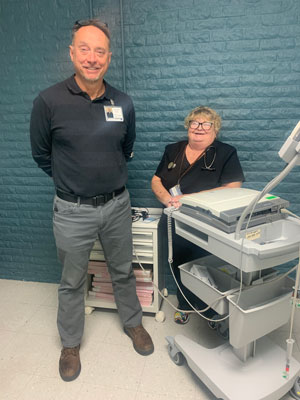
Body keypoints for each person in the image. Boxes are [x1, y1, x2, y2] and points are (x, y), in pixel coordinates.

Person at [30, 19, 154, 382]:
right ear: (72, 53)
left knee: (122, 270)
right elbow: (41, 154)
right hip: (72, 210)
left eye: (100, 51)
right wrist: (72, 182)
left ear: (109, 58)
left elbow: (126, 148)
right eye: (84, 49)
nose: (92, 57)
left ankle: (133, 323)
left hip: (117, 206)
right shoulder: (48, 101)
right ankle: (70, 343)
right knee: (71, 281)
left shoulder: (123, 102)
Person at [151, 106, 244, 324]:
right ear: (188, 126)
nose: (199, 128)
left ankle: (212, 312)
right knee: (179, 263)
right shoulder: (173, 150)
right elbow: (156, 180)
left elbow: (234, 186)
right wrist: (167, 200)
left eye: (206, 124)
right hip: (175, 219)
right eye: (194, 123)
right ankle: (185, 305)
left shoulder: (226, 153)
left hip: (208, 223)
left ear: (215, 128)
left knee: (209, 265)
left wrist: (189, 199)